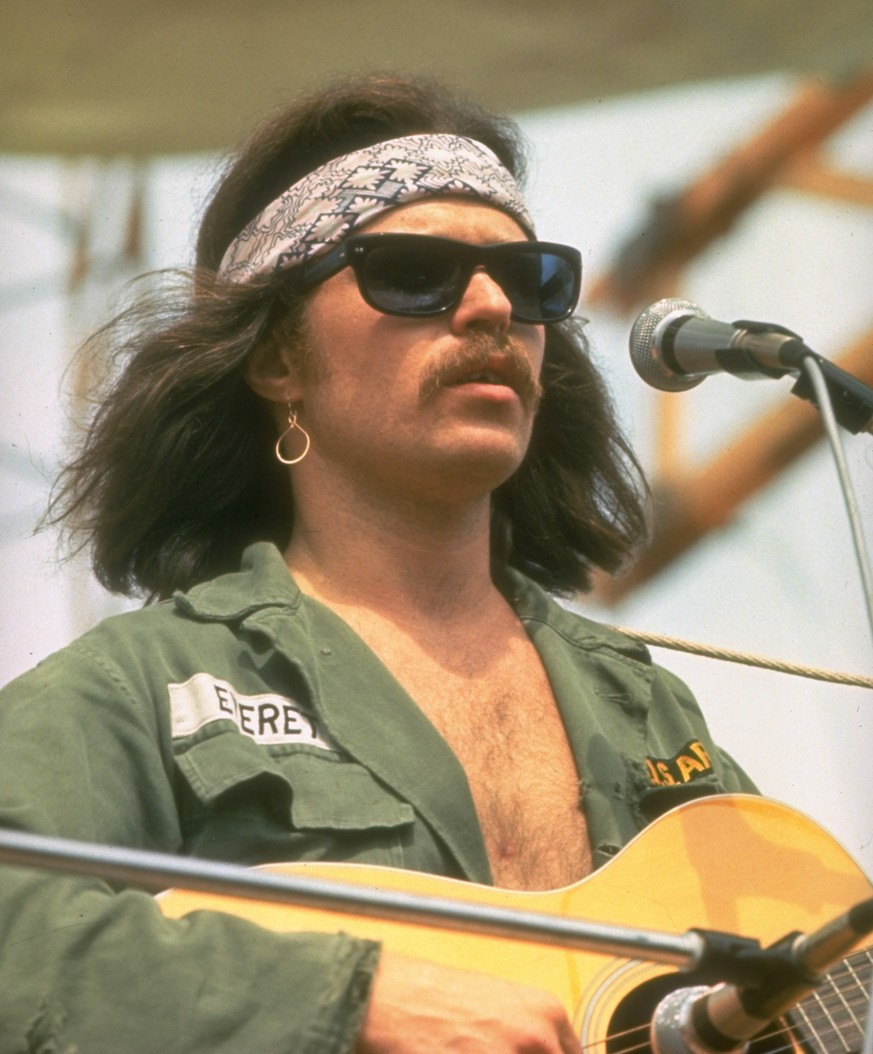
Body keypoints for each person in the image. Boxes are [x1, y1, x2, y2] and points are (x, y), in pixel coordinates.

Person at [0, 74, 756, 1053]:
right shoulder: (137, 689)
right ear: (278, 359)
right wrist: (339, 1003)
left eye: (528, 280)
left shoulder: (647, 712)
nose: (490, 307)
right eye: (413, 272)